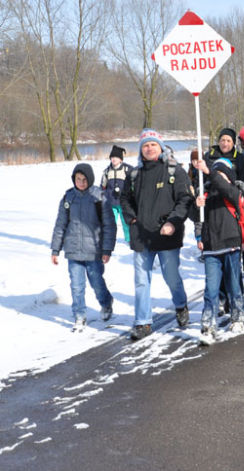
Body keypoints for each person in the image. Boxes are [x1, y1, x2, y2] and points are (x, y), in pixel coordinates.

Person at [120, 129, 193, 340]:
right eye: (145, 145)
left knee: (172, 278)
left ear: (160, 147)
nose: (149, 148)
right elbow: (125, 200)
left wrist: (172, 222)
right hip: (142, 236)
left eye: (153, 145)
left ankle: (181, 305)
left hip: (167, 235)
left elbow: (184, 200)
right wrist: (132, 218)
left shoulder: (174, 170)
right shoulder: (134, 174)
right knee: (141, 281)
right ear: (141, 150)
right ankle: (143, 322)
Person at [51, 163, 116, 332]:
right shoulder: (68, 198)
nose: (80, 182)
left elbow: (109, 225)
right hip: (73, 250)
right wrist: (55, 249)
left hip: (94, 250)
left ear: (90, 179)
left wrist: (107, 250)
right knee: (76, 285)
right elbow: (60, 224)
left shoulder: (99, 197)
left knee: (96, 282)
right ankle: (79, 315)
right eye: (77, 179)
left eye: (84, 179)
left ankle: (106, 303)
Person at [191, 158, 244, 345]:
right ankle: (208, 325)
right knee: (211, 289)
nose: (218, 179)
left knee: (233, 285)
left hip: (230, 244)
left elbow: (223, 186)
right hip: (211, 249)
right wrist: (196, 205)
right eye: (217, 174)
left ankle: (238, 316)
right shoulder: (205, 194)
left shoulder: (233, 192)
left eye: (222, 175)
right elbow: (195, 218)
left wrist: (210, 172)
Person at [205, 128, 244, 202]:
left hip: (232, 198)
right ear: (219, 141)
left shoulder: (239, 158)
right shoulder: (209, 156)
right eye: (223, 140)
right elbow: (200, 178)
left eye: (228, 141)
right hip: (211, 198)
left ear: (233, 143)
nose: (225, 144)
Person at [100, 145, 133, 243]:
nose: (114, 159)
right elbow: (103, 186)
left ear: (121, 160)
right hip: (111, 202)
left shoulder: (128, 169)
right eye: (112, 157)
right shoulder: (106, 171)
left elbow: (134, 184)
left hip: (124, 202)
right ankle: (110, 240)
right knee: (110, 223)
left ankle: (129, 239)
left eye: (116, 157)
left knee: (126, 222)